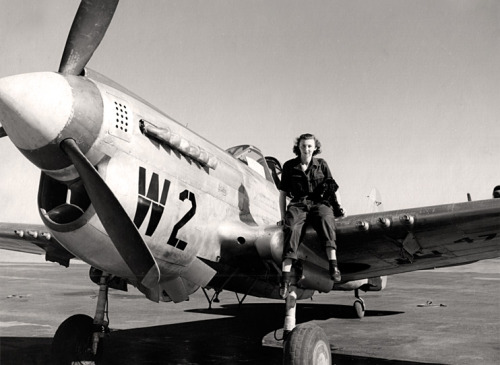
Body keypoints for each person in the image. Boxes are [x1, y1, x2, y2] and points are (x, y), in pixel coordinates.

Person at [278, 133, 343, 299]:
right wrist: (283, 216)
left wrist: (340, 210)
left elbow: (333, 188)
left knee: (326, 219)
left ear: (315, 148)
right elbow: (282, 194)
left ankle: (333, 266)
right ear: (298, 147)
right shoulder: (289, 166)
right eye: (303, 146)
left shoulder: (322, 164)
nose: (306, 149)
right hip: (298, 204)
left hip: (319, 203)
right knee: (291, 229)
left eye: (309, 146)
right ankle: (285, 279)